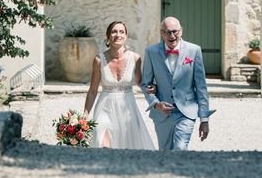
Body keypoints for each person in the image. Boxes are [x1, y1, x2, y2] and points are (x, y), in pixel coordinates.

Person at [142, 16, 214, 150]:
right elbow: (146, 84)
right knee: (164, 151)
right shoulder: (151, 52)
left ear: (181, 31)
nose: (172, 35)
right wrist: (156, 104)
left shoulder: (194, 50)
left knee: (180, 148)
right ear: (162, 33)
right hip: (162, 114)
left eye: (175, 31)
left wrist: (204, 120)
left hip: (186, 112)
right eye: (168, 32)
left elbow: (201, 87)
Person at [83, 21, 156, 149]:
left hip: (128, 108)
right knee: (103, 143)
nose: (118, 35)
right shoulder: (98, 60)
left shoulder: (135, 58)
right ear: (108, 36)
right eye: (114, 31)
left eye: (121, 32)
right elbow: (93, 90)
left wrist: (151, 88)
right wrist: (84, 115)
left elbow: (140, 82)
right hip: (104, 108)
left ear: (126, 36)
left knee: (128, 147)